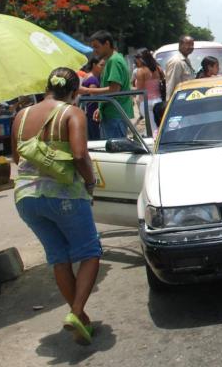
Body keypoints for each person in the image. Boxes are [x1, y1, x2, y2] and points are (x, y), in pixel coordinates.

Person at [11, 67, 101, 345]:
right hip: (65, 196)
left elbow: (16, 157)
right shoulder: (72, 113)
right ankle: (75, 312)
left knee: (59, 257)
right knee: (90, 252)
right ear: (74, 92)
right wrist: (90, 182)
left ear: (47, 87)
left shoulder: (21, 115)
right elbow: (79, 154)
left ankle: (80, 318)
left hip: (25, 197)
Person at [81, 31, 133, 140]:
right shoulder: (113, 59)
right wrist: (101, 108)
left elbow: (114, 90)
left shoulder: (114, 61)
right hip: (112, 113)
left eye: (97, 47)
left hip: (115, 115)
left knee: (115, 153)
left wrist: (86, 90)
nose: (94, 51)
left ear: (107, 44)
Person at [133, 49, 162, 132]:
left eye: (137, 59)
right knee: (159, 126)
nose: (136, 61)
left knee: (152, 130)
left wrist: (128, 89)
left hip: (146, 102)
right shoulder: (158, 68)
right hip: (158, 100)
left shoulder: (141, 71)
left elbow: (140, 89)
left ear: (141, 59)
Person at [80, 56, 104, 140]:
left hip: (86, 113)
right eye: (101, 65)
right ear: (94, 65)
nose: (103, 68)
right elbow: (93, 98)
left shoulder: (86, 76)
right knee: (95, 139)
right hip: (93, 114)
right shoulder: (93, 80)